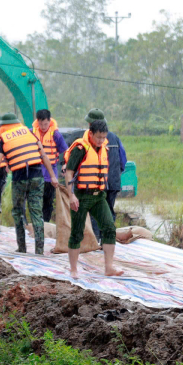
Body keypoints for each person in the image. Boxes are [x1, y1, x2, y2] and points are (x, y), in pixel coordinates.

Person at [0, 113, 58, 254]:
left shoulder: (3, 140)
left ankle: (22, 247)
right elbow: (44, 156)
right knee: (37, 213)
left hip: (20, 179)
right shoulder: (30, 134)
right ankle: (40, 250)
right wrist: (53, 177)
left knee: (18, 212)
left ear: (4, 126)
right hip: (37, 177)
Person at [61, 119, 123, 278]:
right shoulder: (80, 148)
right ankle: (73, 269)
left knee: (109, 227)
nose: (101, 140)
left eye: (104, 137)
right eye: (98, 137)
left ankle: (109, 267)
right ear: (90, 133)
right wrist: (71, 195)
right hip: (81, 196)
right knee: (77, 232)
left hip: (99, 196)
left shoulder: (104, 148)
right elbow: (69, 172)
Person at [84, 109, 126, 239]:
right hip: (113, 183)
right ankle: (107, 241)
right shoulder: (115, 138)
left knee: (96, 213)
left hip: (97, 184)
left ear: (91, 124)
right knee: (108, 213)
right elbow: (123, 161)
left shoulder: (90, 139)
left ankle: (96, 240)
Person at [31, 109, 67, 223]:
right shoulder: (31, 132)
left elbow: (66, 151)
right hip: (35, 172)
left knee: (48, 200)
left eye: (45, 124)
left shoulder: (56, 134)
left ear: (49, 121)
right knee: (35, 199)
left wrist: (65, 164)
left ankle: (45, 223)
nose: (43, 126)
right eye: (40, 124)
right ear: (37, 122)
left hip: (50, 173)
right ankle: (37, 222)